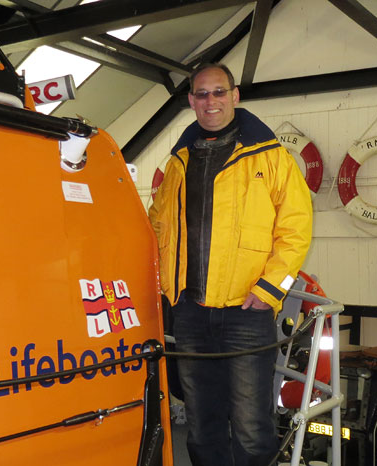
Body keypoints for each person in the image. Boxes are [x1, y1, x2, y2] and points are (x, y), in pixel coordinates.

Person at [148, 63, 313, 466]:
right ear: (190, 101)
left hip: (246, 310)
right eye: (202, 94)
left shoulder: (273, 159)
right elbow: (158, 228)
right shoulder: (177, 164)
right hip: (188, 312)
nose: (211, 102)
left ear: (235, 96)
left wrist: (271, 289)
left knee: (251, 425)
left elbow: (296, 231)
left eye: (219, 93)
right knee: (201, 422)